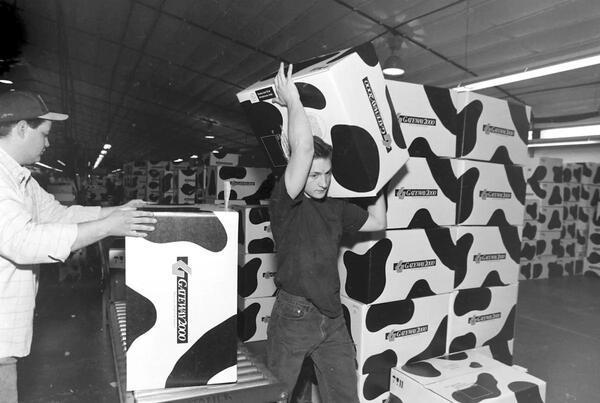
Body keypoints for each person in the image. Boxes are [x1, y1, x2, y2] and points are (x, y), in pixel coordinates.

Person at [0, 90, 156, 402]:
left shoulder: (21, 180)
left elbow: (60, 214)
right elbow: (21, 242)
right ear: (20, 128)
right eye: (44, 134)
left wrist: (117, 211)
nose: (47, 144)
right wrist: (108, 226)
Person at [267, 63, 387, 402]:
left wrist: (376, 180)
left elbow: (377, 223)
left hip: (332, 317)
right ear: (298, 172)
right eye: (314, 175)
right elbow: (302, 150)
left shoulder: (336, 207)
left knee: (344, 396)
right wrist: (292, 101)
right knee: (278, 397)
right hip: (294, 316)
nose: (322, 182)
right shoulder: (285, 202)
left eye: (327, 174)